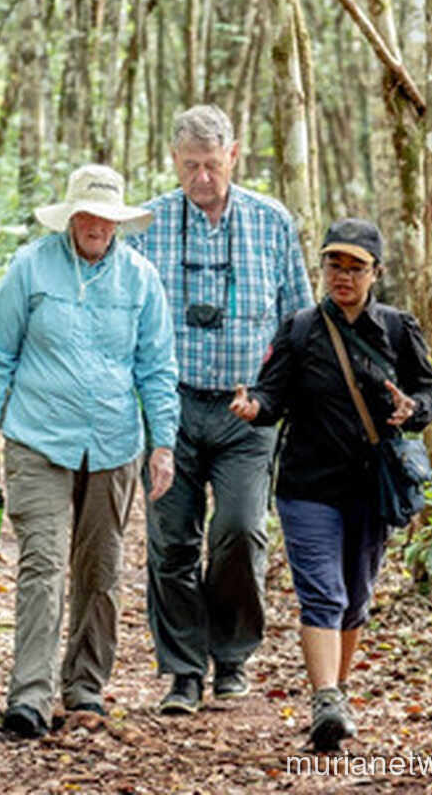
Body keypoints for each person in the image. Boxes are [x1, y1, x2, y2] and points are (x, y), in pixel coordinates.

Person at [0, 163, 179, 739]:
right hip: (38, 440)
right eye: (88, 214)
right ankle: (30, 698)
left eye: (108, 216)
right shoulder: (30, 267)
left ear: (118, 221)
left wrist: (163, 443)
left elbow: (157, 368)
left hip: (113, 445)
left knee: (101, 569)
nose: (98, 225)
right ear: (71, 217)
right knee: (42, 564)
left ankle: (85, 687)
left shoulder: (140, 278)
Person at [126, 104, 314, 714]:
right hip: (170, 407)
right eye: (190, 166)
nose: (202, 177)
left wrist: (275, 398)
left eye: (212, 164)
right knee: (171, 541)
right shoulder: (150, 222)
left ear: (234, 155)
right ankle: (182, 670)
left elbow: (298, 324)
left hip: (246, 410)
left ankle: (231, 656)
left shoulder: (272, 222)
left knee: (239, 531)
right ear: (173, 162)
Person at [229, 218, 432, 751]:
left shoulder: (397, 329)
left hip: (373, 485)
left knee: (355, 597)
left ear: (377, 273)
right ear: (321, 268)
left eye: (355, 267)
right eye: (334, 265)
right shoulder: (300, 329)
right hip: (308, 485)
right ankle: (324, 697)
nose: (343, 276)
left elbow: (429, 389)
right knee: (322, 593)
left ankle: (337, 695)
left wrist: (413, 409)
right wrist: (253, 406)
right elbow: (272, 397)